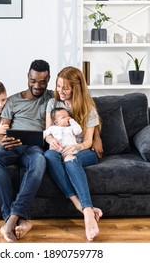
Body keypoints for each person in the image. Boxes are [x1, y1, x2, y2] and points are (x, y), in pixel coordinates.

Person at [0, 59, 53, 243]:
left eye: (42, 82)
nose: (37, 85)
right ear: (27, 77)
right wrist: (1, 141)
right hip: (12, 145)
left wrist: (94, 137)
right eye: (33, 80)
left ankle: (12, 218)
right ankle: (12, 219)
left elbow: (79, 103)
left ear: (49, 79)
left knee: (40, 162)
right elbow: (1, 129)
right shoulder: (13, 101)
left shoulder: (52, 99)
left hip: (35, 147)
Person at [44, 66, 103, 241]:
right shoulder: (52, 104)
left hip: (82, 151)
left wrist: (75, 149)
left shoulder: (88, 109)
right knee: (49, 156)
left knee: (69, 159)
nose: (60, 91)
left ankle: (86, 210)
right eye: (58, 86)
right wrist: (50, 141)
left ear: (76, 88)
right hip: (57, 149)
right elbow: (48, 132)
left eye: (66, 88)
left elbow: (88, 142)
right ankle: (80, 205)